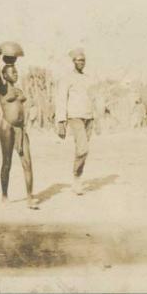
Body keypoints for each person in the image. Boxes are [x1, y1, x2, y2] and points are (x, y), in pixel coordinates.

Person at [0, 47, 38, 209]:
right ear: (5, 75)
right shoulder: (3, 89)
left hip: (21, 129)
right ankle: (4, 195)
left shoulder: (19, 90)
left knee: (27, 162)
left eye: (16, 72)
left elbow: (26, 103)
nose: (15, 74)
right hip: (7, 127)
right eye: (12, 72)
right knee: (7, 162)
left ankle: (29, 197)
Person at [55, 48, 95, 195]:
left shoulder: (88, 78)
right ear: (73, 62)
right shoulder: (66, 78)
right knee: (83, 148)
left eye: (83, 60)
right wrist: (61, 121)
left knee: (82, 150)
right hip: (75, 117)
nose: (81, 62)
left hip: (89, 117)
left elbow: (93, 97)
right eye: (78, 60)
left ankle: (77, 177)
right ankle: (76, 177)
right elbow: (61, 99)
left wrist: (96, 117)